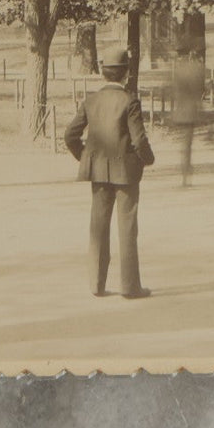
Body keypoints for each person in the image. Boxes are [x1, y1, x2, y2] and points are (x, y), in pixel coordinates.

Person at [64, 46, 155, 298]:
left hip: (98, 172)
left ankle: (96, 284)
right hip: (126, 172)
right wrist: (147, 160)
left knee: (98, 227)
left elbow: (70, 135)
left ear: (103, 74)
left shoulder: (91, 100)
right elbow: (138, 140)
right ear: (125, 74)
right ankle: (130, 287)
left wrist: (85, 157)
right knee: (127, 228)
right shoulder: (129, 100)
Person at [171, 45, 207, 187]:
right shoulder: (196, 70)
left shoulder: (178, 71)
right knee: (187, 144)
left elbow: (172, 90)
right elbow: (200, 90)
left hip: (180, 111)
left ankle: (185, 173)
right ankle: (187, 173)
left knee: (184, 145)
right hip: (191, 111)